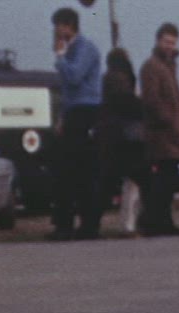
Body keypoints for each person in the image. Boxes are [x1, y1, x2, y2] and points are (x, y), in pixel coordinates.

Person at [49, 7, 104, 240]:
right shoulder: (72, 49)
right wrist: (62, 117)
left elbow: (74, 77)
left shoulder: (85, 48)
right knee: (66, 170)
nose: (55, 32)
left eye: (58, 27)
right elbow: (67, 90)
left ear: (68, 26)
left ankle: (87, 225)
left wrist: (60, 57)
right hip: (73, 112)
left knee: (81, 170)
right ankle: (65, 224)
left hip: (86, 111)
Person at [138, 22, 179, 237]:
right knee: (163, 181)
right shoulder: (151, 66)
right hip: (161, 135)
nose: (170, 46)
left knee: (169, 181)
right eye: (167, 42)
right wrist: (167, 120)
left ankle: (163, 222)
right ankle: (154, 222)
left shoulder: (169, 66)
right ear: (158, 41)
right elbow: (151, 99)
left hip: (172, 134)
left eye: (173, 43)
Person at [98, 47, 146, 235]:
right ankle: (130, 222)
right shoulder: (121, 79)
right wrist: (144, 107)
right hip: (126, 137)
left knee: (114, 183)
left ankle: (125, 222)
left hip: (113, 136)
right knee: (135, 180)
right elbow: (127, 103)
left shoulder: (109, 78)